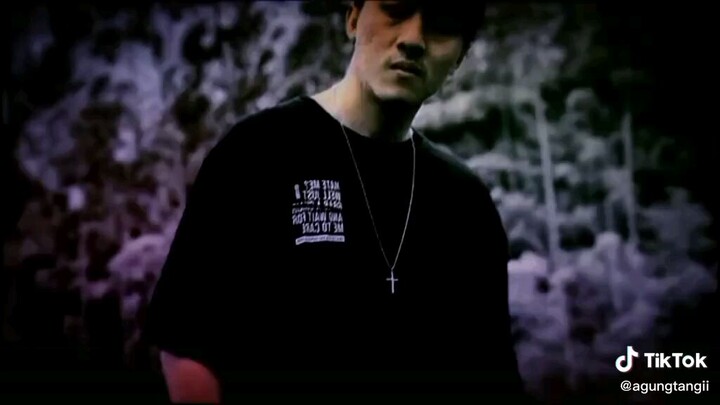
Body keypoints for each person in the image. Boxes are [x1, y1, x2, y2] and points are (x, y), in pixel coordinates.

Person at [144, 0, 532, 402]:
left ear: (459, 56)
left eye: (441, 25)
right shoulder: (258, 152)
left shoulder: (465, 203)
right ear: (353, 18)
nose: (414, 39)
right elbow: (187, 340)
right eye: (395, 10)